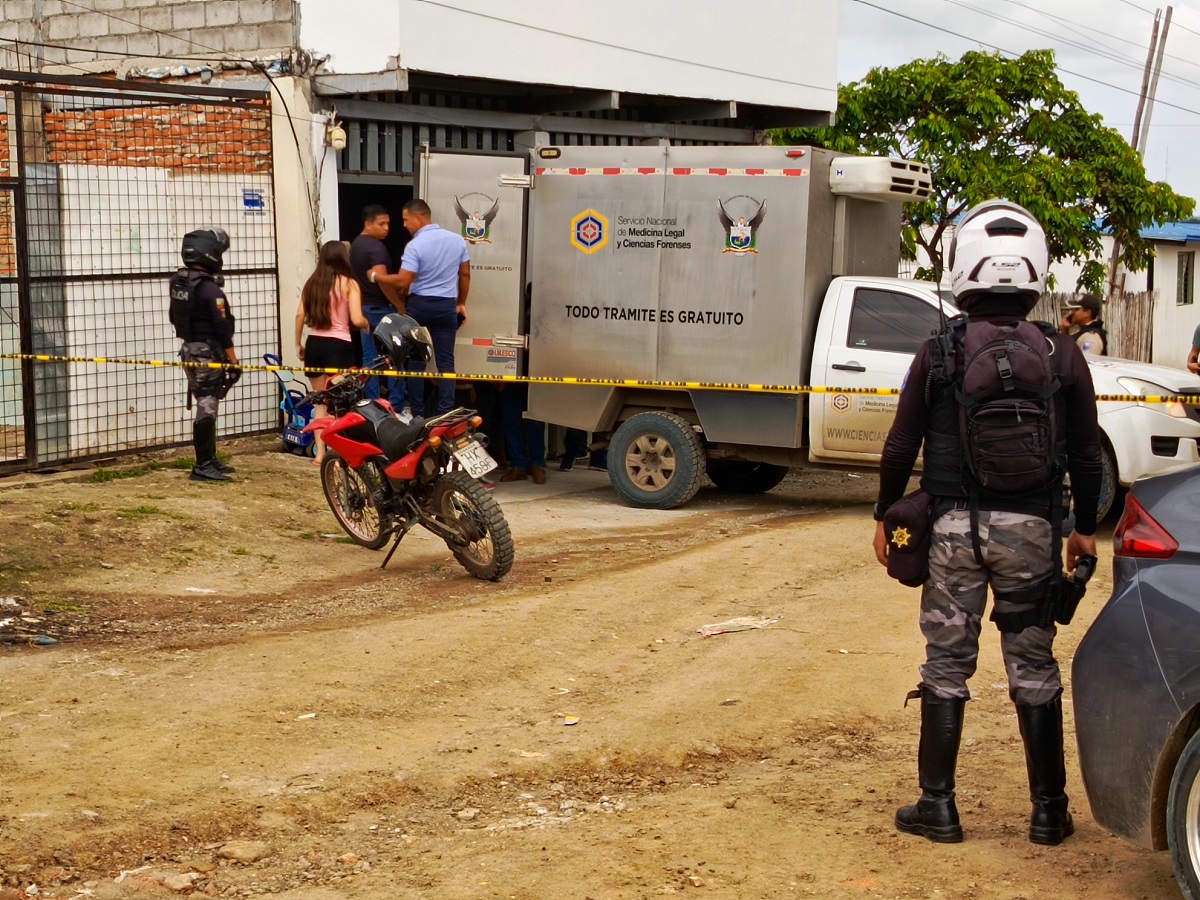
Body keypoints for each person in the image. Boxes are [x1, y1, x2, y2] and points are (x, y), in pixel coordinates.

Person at [873, 200, 1102, 846]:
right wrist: (1082, 526)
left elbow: (899, 446)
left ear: (964, 268)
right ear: (1034, 273)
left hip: (951, 533)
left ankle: (937, 809)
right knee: (1033, 664)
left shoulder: (939, 350)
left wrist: (883, 513)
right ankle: (1049, 813)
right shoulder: (1062, 356)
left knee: (947, 662)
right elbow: (1087, 453)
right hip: (1033, 531)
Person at [372, 199, 470, 416]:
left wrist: (376, 276)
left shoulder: (415, 246)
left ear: (418, 218)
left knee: (416, 363)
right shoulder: (457, 241)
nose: (405, 225)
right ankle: (446, 412)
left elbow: (403, 281)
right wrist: (461, 303)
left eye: (406, 220)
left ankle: (417, 414)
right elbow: (464, 275)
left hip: (420, 306)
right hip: (446, 307)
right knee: (446, 363)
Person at [168, 228, 241, 483]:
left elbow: (173, 317)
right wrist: (233, 361)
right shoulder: (210, 289)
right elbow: (222, 328)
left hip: (189, 349)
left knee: (205, 403)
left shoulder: (180, 282)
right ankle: (203, 465)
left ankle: (210, 459)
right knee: (207, 407)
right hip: (207, 353)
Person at [295, 240, 369, 464]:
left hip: (315, 344)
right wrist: (366, 322)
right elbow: (356, 318)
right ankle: (339, 455)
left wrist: (298, 343)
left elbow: (300, 315)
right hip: (339, 346)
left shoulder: (313, 283)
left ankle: (320, 454)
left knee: (320, 403)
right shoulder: (349, 284)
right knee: (339, 404)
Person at [349, 205, 406, 406]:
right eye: (381, 224)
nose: (386, 228)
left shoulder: (356, 245)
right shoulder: (376, 248)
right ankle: (397, 406)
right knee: (394, 358)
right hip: (382, 309)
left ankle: (372, 405)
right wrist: (399, 306)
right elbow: (382, 280)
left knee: (370, 360)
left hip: (364, 309)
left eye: (388, 223)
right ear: (368, 224)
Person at [499, 382, 547, 483]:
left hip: (534, 376)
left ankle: (536, 464)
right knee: (510, 420)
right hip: (511, 375)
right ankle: (518, 466)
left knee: (535, 420)